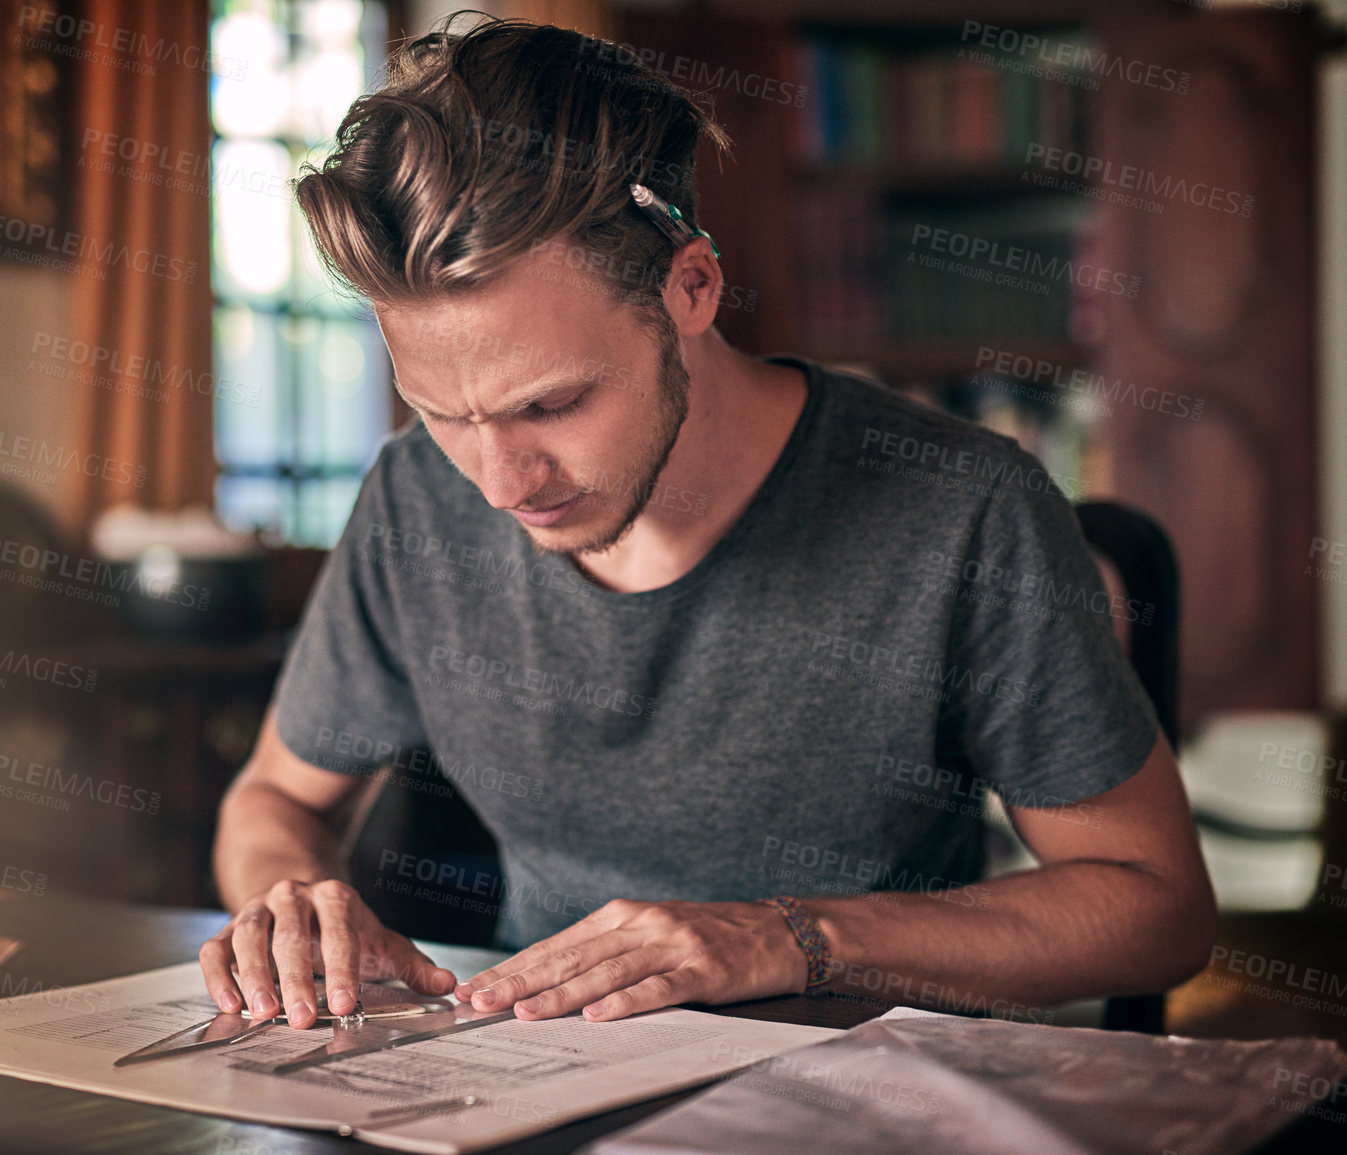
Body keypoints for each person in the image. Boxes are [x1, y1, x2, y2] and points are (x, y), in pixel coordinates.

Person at [198, 14, 1216, 1031]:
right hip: (530, 1085)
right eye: (444, 414)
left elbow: (1156, 908)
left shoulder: (963, 509)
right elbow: (273, 803)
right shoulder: (414, 501)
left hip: (865, 1098)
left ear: (691, 285)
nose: (500, 480)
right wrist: (289, 901)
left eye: (551, 405)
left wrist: (787, 938)